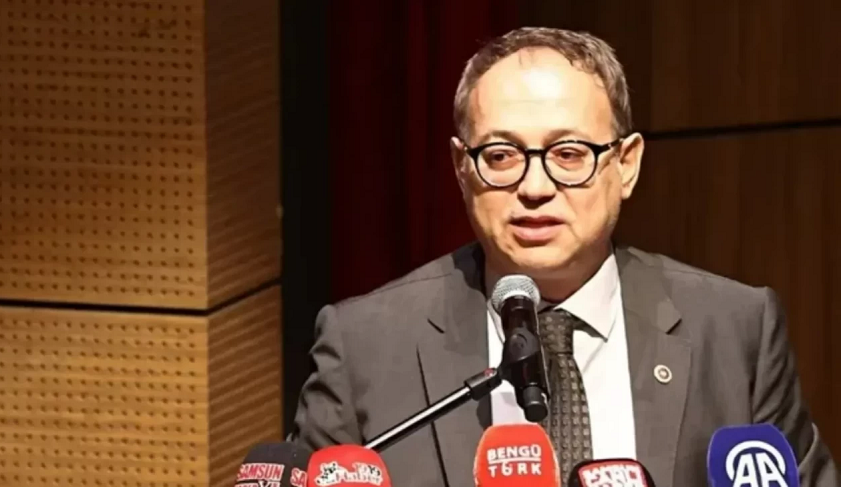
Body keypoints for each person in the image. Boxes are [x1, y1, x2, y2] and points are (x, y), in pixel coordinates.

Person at [289, 27, 838, 486]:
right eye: (501, 155)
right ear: (461, 168)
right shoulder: (366, 346)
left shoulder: (734, 330)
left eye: (569, 153)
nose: (535, 186)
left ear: (626, 164)